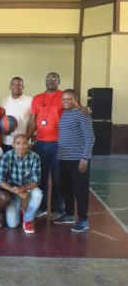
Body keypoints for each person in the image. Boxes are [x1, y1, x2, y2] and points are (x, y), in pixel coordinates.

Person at [54, 89, 95, 233]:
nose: (66, 101)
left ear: (76, 99)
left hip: (78, 159)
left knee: (80, 190)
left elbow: (90, 138)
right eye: (64, 99)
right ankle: (69, 214)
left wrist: (85, 158)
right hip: (64, 158)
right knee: (66, 188)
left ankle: (83, 220)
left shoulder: (82, 114)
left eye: (69, 99)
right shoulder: (65, 114)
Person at [26, 72, 63, 220]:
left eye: (54, 79)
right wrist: (27, 139)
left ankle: (57, 209)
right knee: (40, 178)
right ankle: (41, 208)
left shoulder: (63, 96)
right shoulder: (37, 98)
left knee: (57, 178)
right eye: (48, 78)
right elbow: (32, 120)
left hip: (59, 144)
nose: (51, 81)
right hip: (40, 144)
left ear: (58, 81)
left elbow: (76, 111)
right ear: (45, 81)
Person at [0, 134, 43, 234]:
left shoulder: (35, 157)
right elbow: (0, 180)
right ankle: (20, 209)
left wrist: (22, 189)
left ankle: (27, 220)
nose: (21, 146)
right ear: (13, 145)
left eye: (24, 143)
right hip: (12, 190)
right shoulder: (7, 156)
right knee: (12, 225)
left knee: (38, 194)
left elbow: (36, 180)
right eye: (18, 143)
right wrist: (18, 192)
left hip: (27, 187)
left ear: (28, 145)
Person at [1, 77, 33, 153]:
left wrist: (27, 139)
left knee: (23, 165)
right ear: (10, 86)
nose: (16, 86)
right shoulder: (4, 101)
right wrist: (4, 130)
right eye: (14, 84)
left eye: (19, 85)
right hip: (7, 141)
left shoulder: (30, 100)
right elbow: (2, 120)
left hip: (23, 143)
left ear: (23, 87)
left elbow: (32, 122)